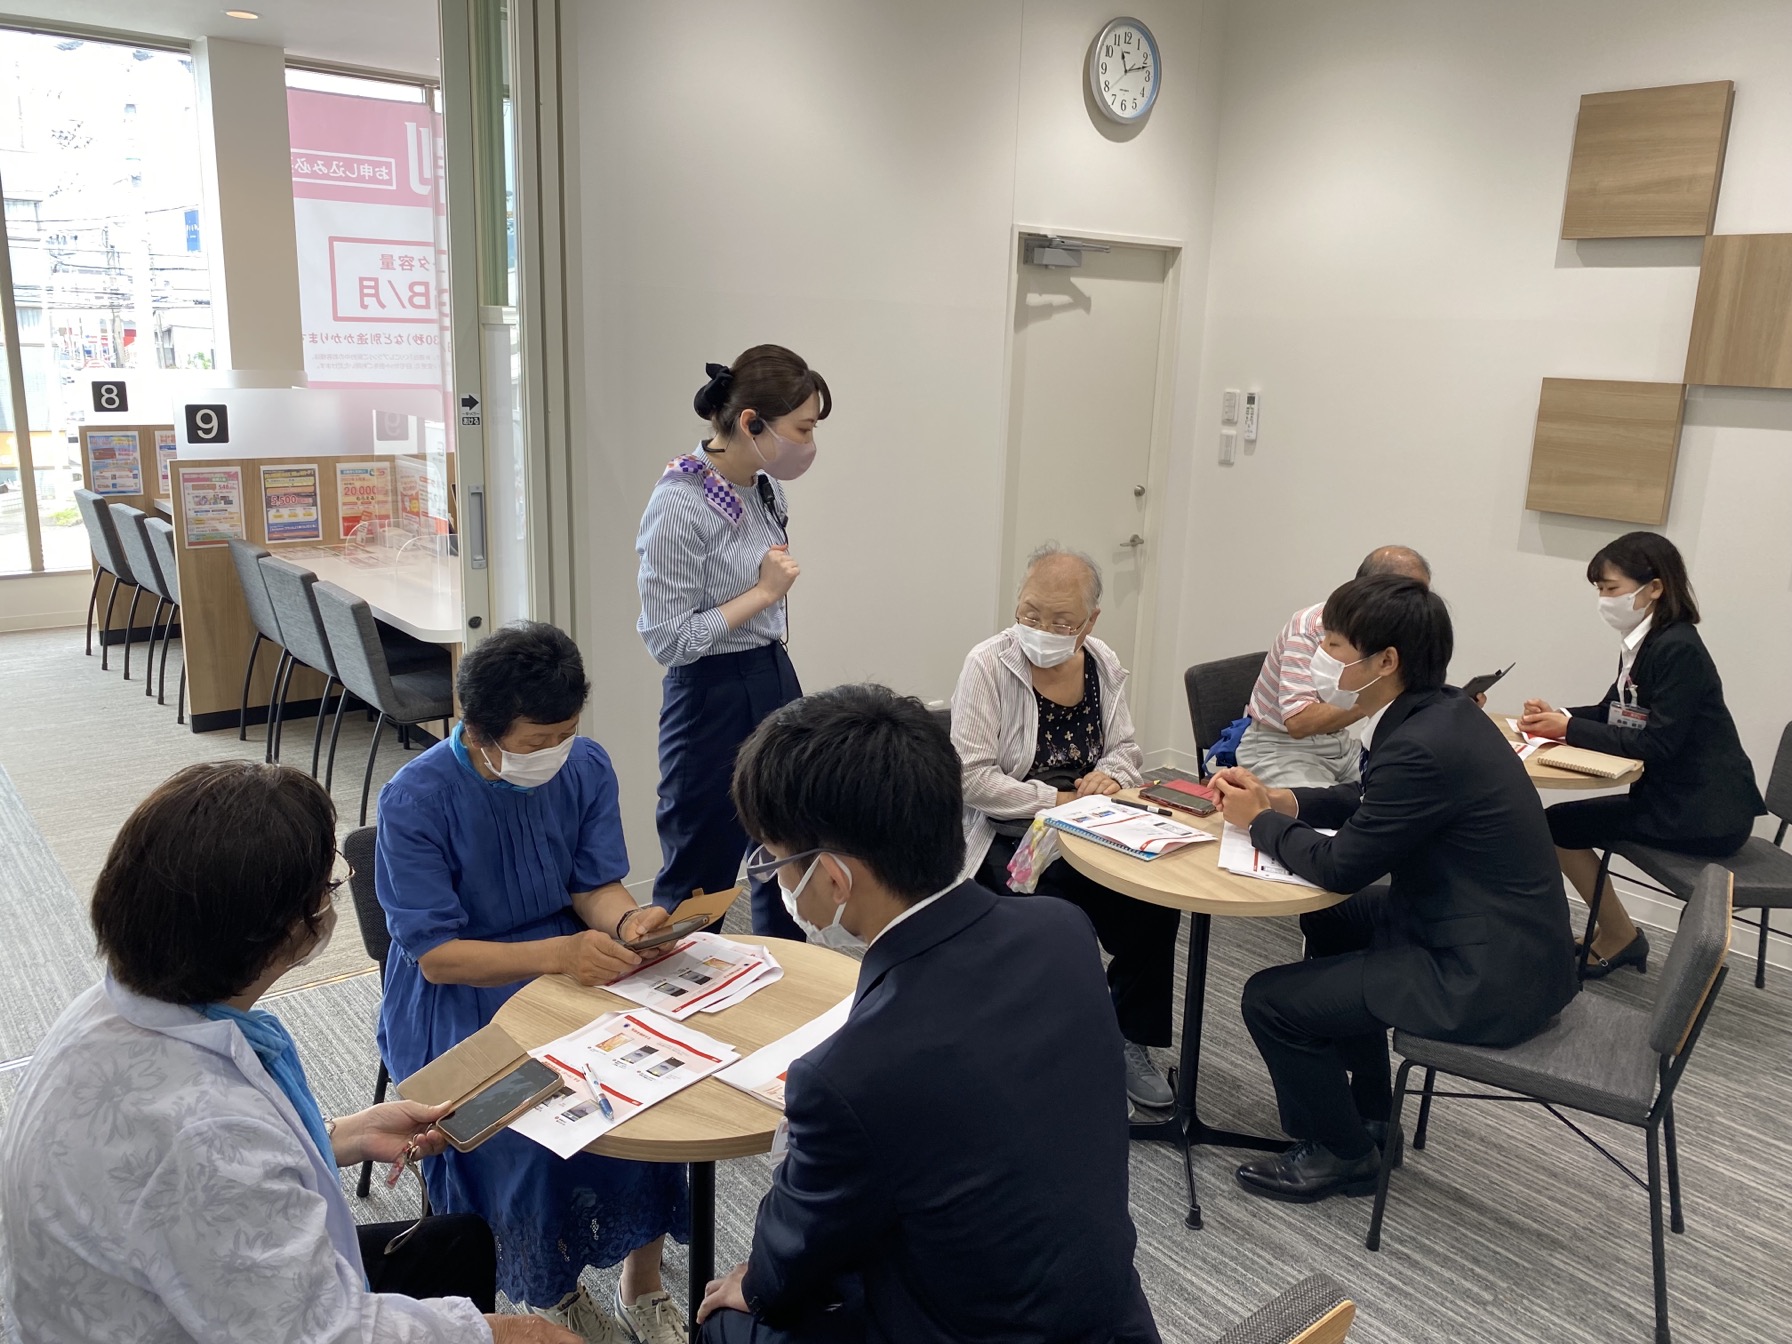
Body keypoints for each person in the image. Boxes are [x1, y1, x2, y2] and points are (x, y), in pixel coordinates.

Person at [0, 760, 579, 1344]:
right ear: (277, 926)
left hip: (140, 1285)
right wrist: (512, 1334)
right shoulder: (205, 1137)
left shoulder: (110, 1008)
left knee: (458, 1243)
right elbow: (324, 1334)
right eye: (329, 884)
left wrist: (342, 1135)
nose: (333, 896)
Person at [696, 685, 1160, 1344]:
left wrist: (753, 1284)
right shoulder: (1062, 930)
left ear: (834, 878)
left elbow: (789, 1258)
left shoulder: (844, 1075)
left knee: (724, 1321)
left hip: (965, 1329)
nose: (776, 879)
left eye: (776, 862)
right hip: (1111, 1318)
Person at [1210, 575, 1577, 1204]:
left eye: (1334, 645)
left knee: (1269, 1000)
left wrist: (1260, 822)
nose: (1322, 656)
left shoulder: (1421, 744)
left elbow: (1339, 867)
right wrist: (1284, 799)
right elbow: (1373, 797)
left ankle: (1342, 1154)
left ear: (1386, 661)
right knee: (1333, 920)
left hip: (1482, 975)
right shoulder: (1443, 714)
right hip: (1499, 933)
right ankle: (1372, 1115)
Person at [376, 622, 688, 1344]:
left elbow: (593, 885)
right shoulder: (415, 798)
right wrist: (559, 954)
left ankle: (642, 1280)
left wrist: (629, 922)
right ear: (478, 730)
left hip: (570, 961)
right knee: (531, 1135)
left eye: (565, 735)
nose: (555, 752)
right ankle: (551, 1287)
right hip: (461, 994)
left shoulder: (585, 766)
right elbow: (437, 956)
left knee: (653, 1099)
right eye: (536, 741)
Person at [950, 544, 1180, 1110]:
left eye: (1060, 622)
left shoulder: (1101, 661)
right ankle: (1046, 1051)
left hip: (1093, 824)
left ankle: (1127, 1038)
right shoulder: (989, 664)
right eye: (1030, 613)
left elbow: (1126, 749)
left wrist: (1109, 775)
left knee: (1155, 902)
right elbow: (972, 779)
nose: (1040, 629)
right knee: (1056, 922)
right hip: (1014, 832)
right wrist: (1057, 799)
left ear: (1089, 623)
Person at [636, 345, 831, 939]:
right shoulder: (679, 502)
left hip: (773, 674)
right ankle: (678, 985)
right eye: (802, 429)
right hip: (710, 694)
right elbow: (668, 639)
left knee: (788, 848)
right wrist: (763, 593)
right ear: (751, 422)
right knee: (701, 865)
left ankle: (782, 975)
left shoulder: (763, 488)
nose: (810, 444)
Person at [1518, 531, 1764, 977]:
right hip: (1675, 799)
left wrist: (1568, 729)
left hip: (1705, 813)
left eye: (1611, 588)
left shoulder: (1678, 649)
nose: (1604, 600)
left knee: (1559, 826)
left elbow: (1658, 743)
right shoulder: (1645, 642)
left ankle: (1620, 935)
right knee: (1560, 824)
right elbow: (1616, 712)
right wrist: (1560, 716)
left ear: (1654, 588)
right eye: (1599, 589)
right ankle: (1618, 933)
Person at [1235, 545, 1433, 786]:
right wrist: (1380, 695)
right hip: (1282, 747)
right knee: (1329, 806)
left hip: (1338, 744)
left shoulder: (1396, 636)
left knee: (1411, 785)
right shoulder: (1309, 628)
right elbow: (1298, 722)